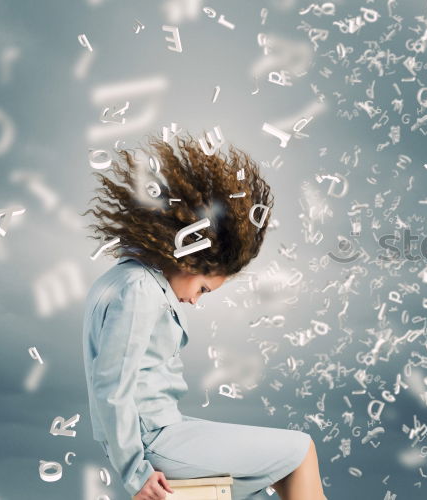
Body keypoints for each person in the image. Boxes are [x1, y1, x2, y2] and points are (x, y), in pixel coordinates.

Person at [80, 132, 326, 500]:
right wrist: (135, 473)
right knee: (300, 451)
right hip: (156, 440)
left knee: (261, 488)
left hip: (162, 432)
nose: (195, 301)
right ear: (189, 259)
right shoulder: (139, 290)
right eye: (203, 290)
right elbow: (111, 389)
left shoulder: (118, 280)